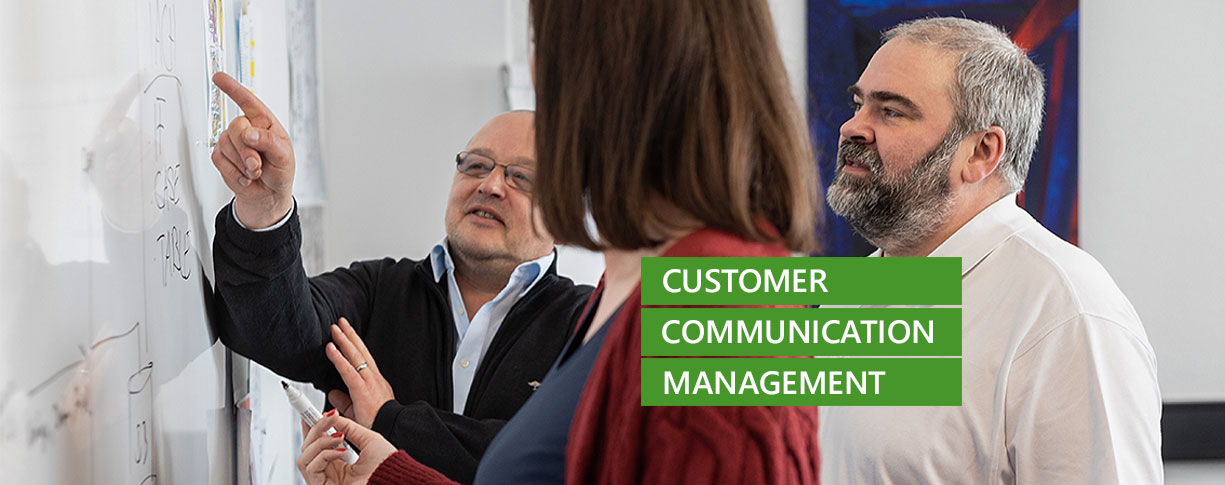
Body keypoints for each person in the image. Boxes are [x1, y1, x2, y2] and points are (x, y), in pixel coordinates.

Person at [293, 0, 824, 483]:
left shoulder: (720, 302)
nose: (536, 74)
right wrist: (389, 477)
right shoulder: (625, 287)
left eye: (548, 49)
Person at [817, 17, 1162, 483]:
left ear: (981, 152)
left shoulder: (1066, 313)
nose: (852, 128)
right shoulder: (856, 292)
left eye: (891, 111)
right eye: (859, 104)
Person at [208, 73, 593, 484]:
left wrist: (390, 421)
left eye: (523, 177)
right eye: (476, 165)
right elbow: (270, 331)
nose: (490, 185)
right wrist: (267, 209)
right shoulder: (379, 291)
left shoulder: (596, 323)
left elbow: (552, 466)